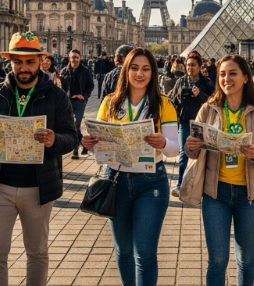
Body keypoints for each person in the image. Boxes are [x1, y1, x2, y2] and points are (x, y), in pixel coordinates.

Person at [0, 32, 78, 286]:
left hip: (38, 188)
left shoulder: (56, 96)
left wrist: (55, 141)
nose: (24, 68)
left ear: (41, 61)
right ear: (10, 62)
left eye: (30, 62)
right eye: (18, 62)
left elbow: (71, 137)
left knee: (37, 253)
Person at [81, 48, 179, 286]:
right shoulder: (110, 102)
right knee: (123, 249)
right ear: (126, 71)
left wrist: (163, 142)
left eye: (146, 69)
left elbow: (175, 150)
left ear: (153, 73)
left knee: (144, 253)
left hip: (151, 182)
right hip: (116, 179)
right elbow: (98, 145)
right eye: (134, 68)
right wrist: (89, 142)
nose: (139, 73)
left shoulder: (164, 104)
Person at [181, 54, 254, 286]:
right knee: (216, 260)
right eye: (222, 74)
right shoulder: (208, 109)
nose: (226, 79)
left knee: (246, 260)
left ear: (246, 77)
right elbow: (192, 153)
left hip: (250, 196)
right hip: (216, 194)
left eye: (233, 73)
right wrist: (191, 146)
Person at [170, 50, 214, 196]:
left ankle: (201, 186)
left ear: (200, 66)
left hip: (201, 124)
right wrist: (180, 95)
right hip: (185, 122)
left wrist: (200, 94)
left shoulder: (206, 82)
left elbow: (214, 102)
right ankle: (180, 185)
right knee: (184, 154)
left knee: (202, 155)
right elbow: (173, 100)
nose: (190, 68)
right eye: (188, 65)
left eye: (193, 65)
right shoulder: (181, 81)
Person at [60, 49, 94, 159]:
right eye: (73, 57)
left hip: (79, 102)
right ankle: (83, 143)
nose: (75, 59)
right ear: (69, 58)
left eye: (76, 57)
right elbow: (60, 88)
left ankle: (75, 150)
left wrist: (84, 96)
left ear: (79, 58)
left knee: (76, 125)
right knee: (70, 125)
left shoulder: (85, 71)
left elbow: (91, 85)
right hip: (68, 102)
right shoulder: (64, 71)